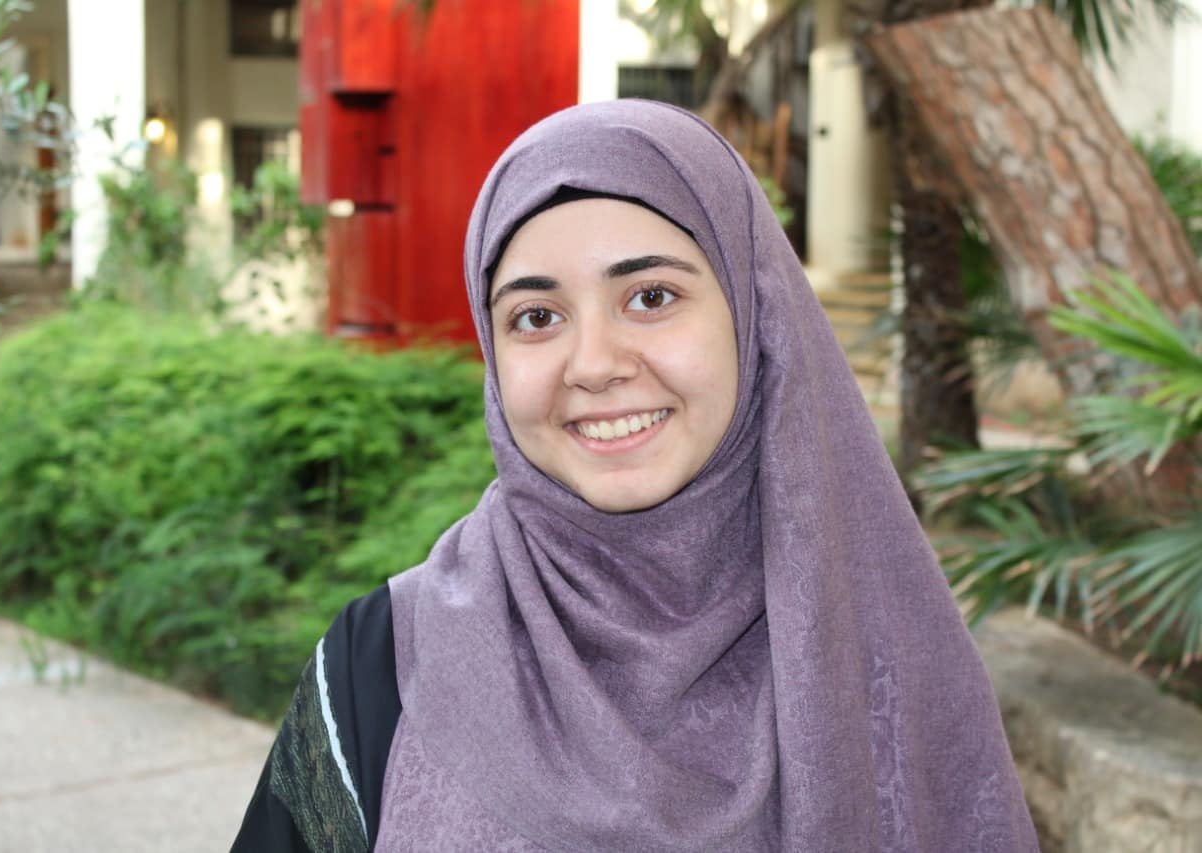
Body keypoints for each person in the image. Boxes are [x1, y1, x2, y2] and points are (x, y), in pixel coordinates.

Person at [232, 99, 1039, 852]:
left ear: (755, 317)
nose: (594, 364)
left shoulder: (888, 657)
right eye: (536, 317)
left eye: (651, 296)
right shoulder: (379, 665)